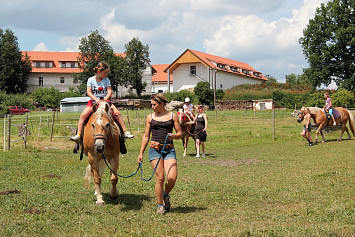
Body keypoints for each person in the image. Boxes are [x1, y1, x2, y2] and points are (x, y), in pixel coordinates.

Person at [137, 94, 182, 215]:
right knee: (160, 178)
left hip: (169, 150)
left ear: (162, 104)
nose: (152, 107)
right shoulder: (150, 117)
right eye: (151, 104)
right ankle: (160, 205)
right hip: (154, 150)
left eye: (154, 104)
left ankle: (165, 194)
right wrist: (141, 153)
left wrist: (174, 136)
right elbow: (146, 136)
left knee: (172, 178)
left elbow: (180, 133)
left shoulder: (173, 116)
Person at [70, 61, 134, 143]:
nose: (106, 75)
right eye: (105, 73)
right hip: (93, 102)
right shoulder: (91, 80)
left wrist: (105, 99)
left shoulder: (106, 80)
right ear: (99, 71)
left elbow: (109, 91)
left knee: (117, 113)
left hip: (105, 102)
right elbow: (89, 92)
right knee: (83, 115)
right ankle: (78, 135)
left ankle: (125, 132)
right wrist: (96, 99)